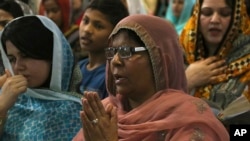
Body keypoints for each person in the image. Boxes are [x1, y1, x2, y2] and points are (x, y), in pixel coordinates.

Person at [72, 14, 229, 141]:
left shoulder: (190, 121)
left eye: (127, 51)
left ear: (160, 60)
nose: (115, 61)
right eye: (112, 52)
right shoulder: (104, 113)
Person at [0, 15, 82, 140]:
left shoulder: (76, 112)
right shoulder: (9, 97)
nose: (17, 67)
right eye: (12, 59)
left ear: (52, 56)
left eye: (26, 55)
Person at [180, 0, 250, 128]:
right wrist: (186, 81)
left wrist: (225, 131)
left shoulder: (247, 63)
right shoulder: (178, 56)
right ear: (197, 15)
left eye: (224, 14)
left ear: (238, 17)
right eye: (207, 13)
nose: (215, 20)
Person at [78, 0, 129, 99]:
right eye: (85, 21)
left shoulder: (112, 76)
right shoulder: (78, 68)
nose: (87, 29)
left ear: (115, 35)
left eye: (98, 26)